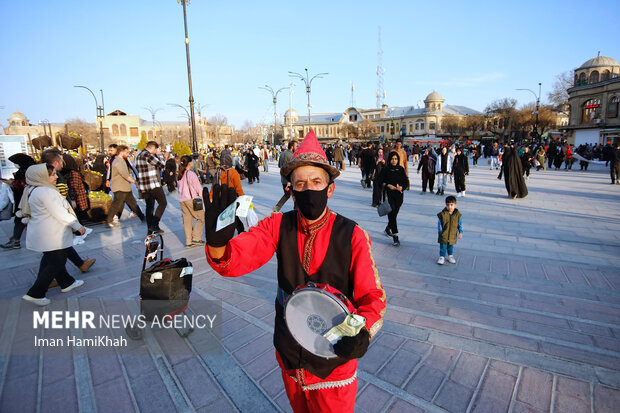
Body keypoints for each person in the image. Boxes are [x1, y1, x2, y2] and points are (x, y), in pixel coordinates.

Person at [204, 130, 385, 413]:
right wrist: (217, 244)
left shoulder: (353, 235)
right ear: (290, 190)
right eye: (300, 184)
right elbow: (239, 257)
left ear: (330, 188)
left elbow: (372, 297)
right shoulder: (278, 226)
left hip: (333, 364)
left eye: (316, 182)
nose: (309, 189)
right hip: (289, 353)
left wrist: (363, 334)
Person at [20, 164, 86, 306]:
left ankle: (66, 282)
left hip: (45, 233)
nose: (56, 177)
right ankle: (36, 293)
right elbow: (60, 213)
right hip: (52, 234)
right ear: (41, 176)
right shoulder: (46, 192)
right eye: (52, 175)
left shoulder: (33, 189)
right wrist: (77, 226)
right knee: (56, 262)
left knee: (51, 259)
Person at [0, 153, 35, 249]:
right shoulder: (22, 171)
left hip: (24, 201)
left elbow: (24, 185)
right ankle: (15, 239)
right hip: (21, 200)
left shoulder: (27, 172)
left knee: (20, 219)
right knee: (20, 219)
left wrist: (13, 183)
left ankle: (15, 240)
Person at [106, 145, 145, 228]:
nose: (128, 154)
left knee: (133, 204)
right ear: (121, 152)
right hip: (120, 187)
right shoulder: (118, 161)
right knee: (116, 204)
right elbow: (125, 175)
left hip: (125, 187)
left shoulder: (121, 160)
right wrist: (135, 182)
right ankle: (109, 220)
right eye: (127, 153)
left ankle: (143, 218)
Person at [135, 141, 167, 234]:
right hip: (153, 185)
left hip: (144, 186)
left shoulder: (138, 155)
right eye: (156, 149)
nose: (156, 151)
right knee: (163, 203)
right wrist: (160, 155)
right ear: (153, 148)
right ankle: (154, 224)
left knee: (149, 207)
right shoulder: (148, 155)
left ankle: (150, 229)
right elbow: (162, 165)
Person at [380, 152, 409, 246]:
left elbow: (406, 181)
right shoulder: (386, 169)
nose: (394, 161)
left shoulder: (400, 169)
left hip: (399, 196)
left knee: (394, 214)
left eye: (396, 159)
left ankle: (388, 228)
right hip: (389, 195)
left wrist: (402, 187)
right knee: (392, 213)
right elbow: (379, 181)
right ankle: (395, 236)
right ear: (389, 159)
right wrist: (387, 185)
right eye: (392, 159)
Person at [176, 155, 205, 248]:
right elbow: (198, 188)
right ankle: (196, 238)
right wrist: (204, 197)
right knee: (202, 217)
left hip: (182, 200)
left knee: (187, 221)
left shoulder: (180, 174)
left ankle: (188, 241)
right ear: (189, 163)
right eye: (191, 162)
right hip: (191, 199)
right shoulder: (191, 174)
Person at [60, 154, 89, 224]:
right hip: (73, 200)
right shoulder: (67, 172)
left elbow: (74, 188)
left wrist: (72, 199)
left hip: (76, 201)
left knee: (76, 219)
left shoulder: (73, 173)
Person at [437, 195, 463, 265]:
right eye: (448, 205)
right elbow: (439, 223)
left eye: (452, 205)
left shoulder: (458, 215)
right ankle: (441, 257)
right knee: (443, 246)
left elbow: (460, 224)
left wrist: (460, 232)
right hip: (444, 234)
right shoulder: (443, 214)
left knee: (450, 246)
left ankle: (450, 256)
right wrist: (440, 231)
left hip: (452, 234)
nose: (450, 207)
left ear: (455, 205)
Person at [273, 141, 297, 212]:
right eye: (296, 146)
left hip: (283, 179)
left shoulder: (282, 153)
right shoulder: (292, 156)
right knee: (296, 196)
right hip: (290, 180)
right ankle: (296, 211)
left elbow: (279, 165)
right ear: (292, 147)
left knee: (287, 195)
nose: (297, 147)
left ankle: (277, 207)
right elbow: (292, 169)